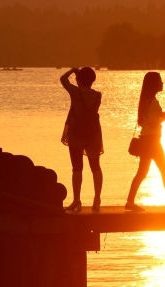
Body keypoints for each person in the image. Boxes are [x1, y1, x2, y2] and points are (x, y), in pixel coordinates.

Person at [124, 72, 165, 212]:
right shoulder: (151, 101)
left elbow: (152, 119)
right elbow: (154, 123)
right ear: (153, 84)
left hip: (149, 140)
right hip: (151, 141)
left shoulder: (148, 100)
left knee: (145, 172)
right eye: (160, 81)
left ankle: (131, 202)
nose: (162, 83)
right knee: (160, 171)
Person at [60, 67, 103, 212]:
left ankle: (77, 200)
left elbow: (63, 80)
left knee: (77, 168)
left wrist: (73, 70)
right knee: (95, 167)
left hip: (76, 133)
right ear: (92, 80)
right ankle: (97, 200)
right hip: (93, 134)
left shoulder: (75, 92)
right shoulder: (98, 96)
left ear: (79, 80)